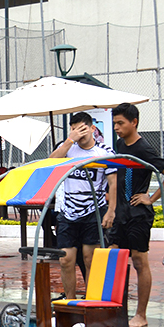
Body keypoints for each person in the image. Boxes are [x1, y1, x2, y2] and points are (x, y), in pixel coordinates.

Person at [110, 102, 164, 327]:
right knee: (114, 259)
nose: (117, 128)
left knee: (140, 262)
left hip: (138, 214)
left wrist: (151, 198)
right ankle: (116, 310)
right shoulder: (120, 144)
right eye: (114, 124)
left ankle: (141, 315)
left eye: (120, 123)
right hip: (121, 212)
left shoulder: (143, 149)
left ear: (134, 122)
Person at [47, 111, 117, 300]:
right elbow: (50, 164)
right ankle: (69, 300)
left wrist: (111, 211)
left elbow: (113, 183)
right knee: (65, 259)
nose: (78, 134)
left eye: (82, 130)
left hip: (93, 210)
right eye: (73, 130)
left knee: (90, 259)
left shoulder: (104, 152)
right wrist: (70, 140)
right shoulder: (68, 148)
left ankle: (92, 299)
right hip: (68, 211)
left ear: (93, 128)